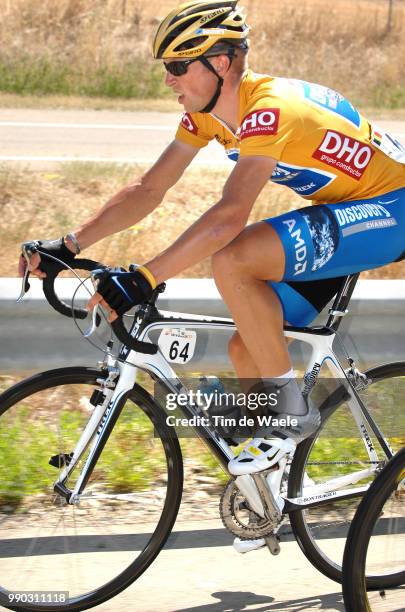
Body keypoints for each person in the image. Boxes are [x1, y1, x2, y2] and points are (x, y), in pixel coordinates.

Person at [19, 0, 405, 551]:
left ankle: (289, 421)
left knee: (233, 259)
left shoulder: (267, 110)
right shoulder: (205, 114)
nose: (168, 80)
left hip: (392, 208)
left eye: (178, 66)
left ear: (221, 64)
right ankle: (265, 493)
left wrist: (144, 278)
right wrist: (71, 244)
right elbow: (150, 190)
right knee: (250, 349)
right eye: (166, 68)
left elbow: (229, 216)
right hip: (344, 210)